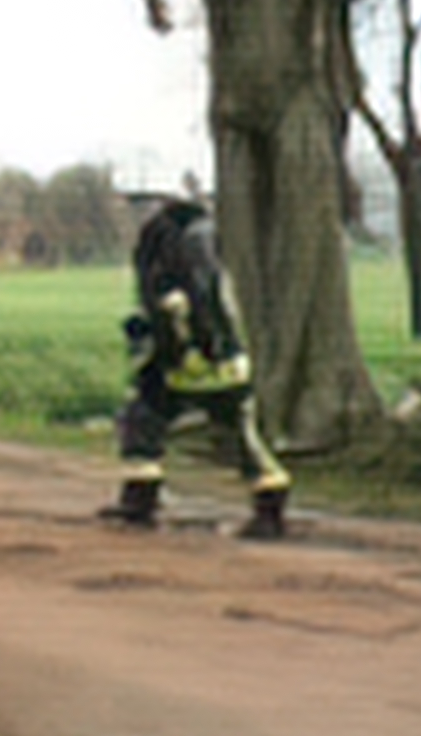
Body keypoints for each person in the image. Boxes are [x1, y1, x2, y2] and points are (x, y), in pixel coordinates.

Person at [107, 188, 292, 539]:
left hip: (190, 363)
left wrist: (177, 349)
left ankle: (140, 500)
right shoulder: (206, 248)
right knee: (240, 434)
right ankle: (269, 505)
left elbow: (181, 309)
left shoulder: (171, 255)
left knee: (146, 417)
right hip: (220, 361)